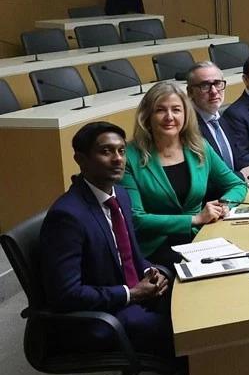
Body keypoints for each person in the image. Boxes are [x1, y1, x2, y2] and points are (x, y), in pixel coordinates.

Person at [39, 121, 175, 357]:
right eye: (106, 151)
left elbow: (131, 255)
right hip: (102, 315)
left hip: (130, 295)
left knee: (195, 302)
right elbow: (65, 294)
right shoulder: (67, 216)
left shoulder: (120, 195)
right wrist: (130, 294)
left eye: (121, 151)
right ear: (81, 159)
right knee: (184, 330)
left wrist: (153, 272)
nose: (118, 159)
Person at [121, 82, 248, 265]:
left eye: (176, 110)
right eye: (160, 110)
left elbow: (236, 184)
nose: (169, 117)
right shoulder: (130, 157)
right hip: (157, 246)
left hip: (200, 237)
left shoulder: (199, 147)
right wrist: (194, 219)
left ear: (185, 114)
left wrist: (224, 204)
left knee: (241, 259)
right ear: (147, 115)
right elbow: (136, 219)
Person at [186, 61, 249, 181]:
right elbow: (204, 179)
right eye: (205, 86)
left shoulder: (222, 120)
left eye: (218, 84)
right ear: (190, 92)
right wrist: (241, 175)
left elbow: (236, 160)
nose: (214, 91)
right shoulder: (188, 129)